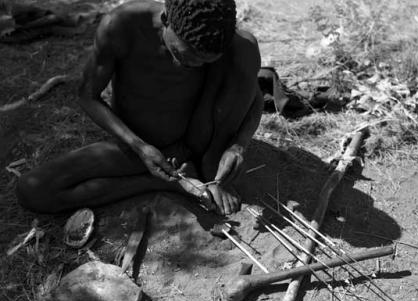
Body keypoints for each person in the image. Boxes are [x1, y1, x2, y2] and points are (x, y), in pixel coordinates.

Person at [16, 0, 263, 215]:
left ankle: (209, 167)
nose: (191, 66)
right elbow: (87, 96)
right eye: (182, 54)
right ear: (166, 20)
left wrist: (238, 145)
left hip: (198, 139)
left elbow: (254, 97)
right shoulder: (122, 26)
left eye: (204, 62)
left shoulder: (226, 42)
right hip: (142, 146)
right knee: (33, 190)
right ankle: (168, 182)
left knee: (246, 48)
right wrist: (140, 147)